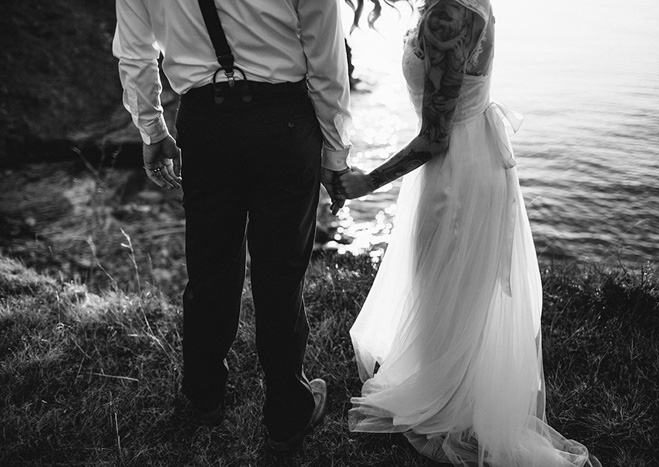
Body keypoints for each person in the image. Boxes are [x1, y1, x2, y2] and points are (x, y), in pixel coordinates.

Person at [339, 0, 600, 465]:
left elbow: (435, 137)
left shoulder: (448, 16)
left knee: (441, 284)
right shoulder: (470, 4)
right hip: (474, 156)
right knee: (457, 289)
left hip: (455, 172)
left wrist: (366, 183)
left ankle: (447, 403)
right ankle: (455, 393)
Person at [113, 0, 352, 451]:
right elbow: (325, 58)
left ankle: (203, 396)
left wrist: (152, 130)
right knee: (280, 273)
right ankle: (287, 414)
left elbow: (136, 52)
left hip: (205, 123)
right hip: (283, 122)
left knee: (210, 267)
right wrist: (335, 154)